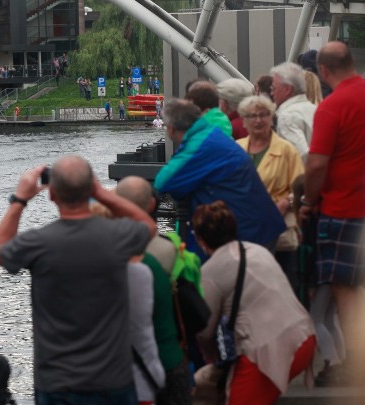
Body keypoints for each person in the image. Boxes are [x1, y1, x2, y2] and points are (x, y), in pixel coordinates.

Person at [0, 156, 156, 405]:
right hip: (112, 380)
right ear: (90, 188)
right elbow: (147, 225)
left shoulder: (39, 242)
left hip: (57, 384)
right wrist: (102, 193)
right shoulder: (115, 237)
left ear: (52, 194)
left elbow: (0, 252)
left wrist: (19, 199)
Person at [193, 201, 315, 405]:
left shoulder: (210, 271)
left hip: (266, 349)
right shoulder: (258, 251)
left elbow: (205, 329)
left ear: (202, 239)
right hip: (303, 338)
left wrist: (210, 357)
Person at [116, 177, 201, 405]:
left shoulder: (104, 252)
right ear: (153, 204)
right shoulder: (172, 249)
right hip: (168, 355)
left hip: (118, 364)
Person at [300, 41, 365, 378]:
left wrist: (308, 202)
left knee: (345, 288)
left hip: (343, 209)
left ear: (323, 71)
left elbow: (316, 165)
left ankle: (354, 359)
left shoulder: (332, 107)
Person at [154, 99, 285, 254]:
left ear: (171, 128)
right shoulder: (210, 133)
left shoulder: (199, 145)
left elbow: (163, 182)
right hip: (257, 224)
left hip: (247, 232)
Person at [236, 95, 304, 294]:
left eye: (264, 114)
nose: (258, 120)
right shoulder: (237, 148)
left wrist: (285, 203)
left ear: (271, 117)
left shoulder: (286, 150)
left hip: (278, 230)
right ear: (244, 120)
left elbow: (300, 186)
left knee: (280, 290)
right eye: (252, 116)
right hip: (245, 230)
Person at [269, 61, 317, 159]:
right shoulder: (314, 109)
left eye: (274, 88)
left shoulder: (288, 117)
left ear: (287, 90)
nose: (271, 93)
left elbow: (300, 157)